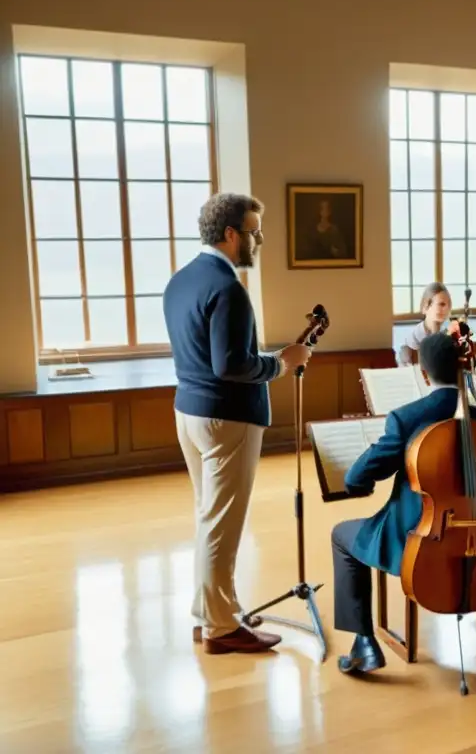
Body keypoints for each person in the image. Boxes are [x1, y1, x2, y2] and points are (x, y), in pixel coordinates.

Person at [331, 331, 476, 674]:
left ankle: (364, 644)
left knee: (341, 536)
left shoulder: (406, 418)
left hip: (416, 541)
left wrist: (363, 480)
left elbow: (355, 478)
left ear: (424, 374)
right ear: (464, 370)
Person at [164, 193, 312, 654]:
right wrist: (281, 364)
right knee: (221, 526)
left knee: (209, 519)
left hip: (188, 411)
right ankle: (222, 628)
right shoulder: (227, 288)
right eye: (253, 230)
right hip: (227, 418)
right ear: (230, 234)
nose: (259, 239)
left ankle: (209, 613)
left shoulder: (181, 280)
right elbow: (230, 364)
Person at [395, 282, 452, 366]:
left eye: (449, 304)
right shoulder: (409, 345)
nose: (447, 309)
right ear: (425, 307)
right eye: (441, 304)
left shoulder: (449, 336)